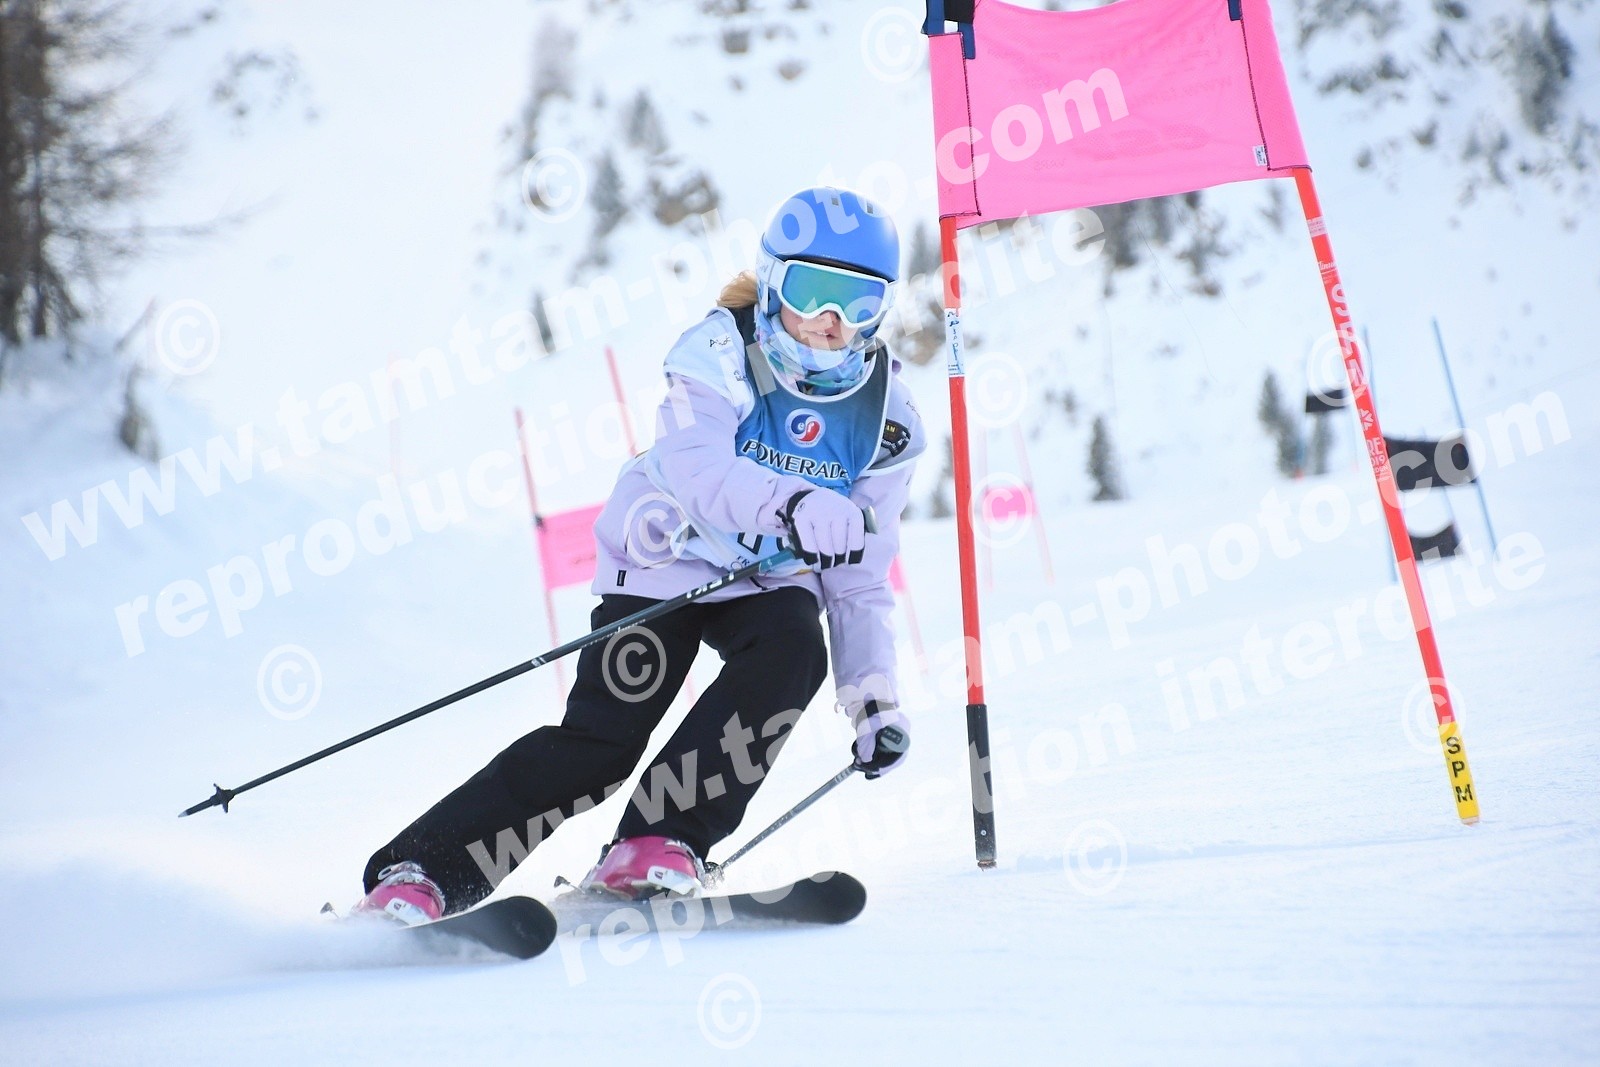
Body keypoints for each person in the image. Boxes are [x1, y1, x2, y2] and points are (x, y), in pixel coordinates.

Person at [355, 186, 925, 924]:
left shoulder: (888, 417)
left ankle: (657, 840)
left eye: (858, 302)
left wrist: (874, 700)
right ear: (772, 280)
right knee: (604, 741)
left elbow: (859, 576)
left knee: (792, 651)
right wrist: (793, 503)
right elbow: (696, 467)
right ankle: (422, 871)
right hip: (664, 555)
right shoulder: (718, 352)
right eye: (813, 291)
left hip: (765, 580)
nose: (831, 320)